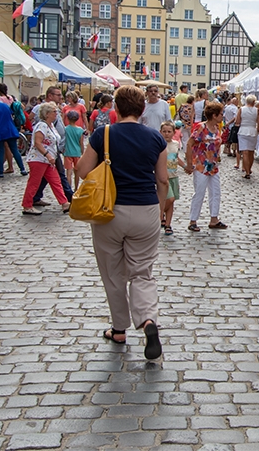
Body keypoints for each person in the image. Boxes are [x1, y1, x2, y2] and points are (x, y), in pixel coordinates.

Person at [75, 85, 168, 361]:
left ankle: (119, 329)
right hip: (146, 209)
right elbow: (162, 179)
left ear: (116, 109)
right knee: (142, 271)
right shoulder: (155, 138)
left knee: (113, 273)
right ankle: (148, 321)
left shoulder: (103, 134)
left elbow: (82, 171)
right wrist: (160, 211)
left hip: (109, 211)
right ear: (142, 110)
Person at [185, 101, 227, 232]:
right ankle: (193, 220)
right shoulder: (201, 128)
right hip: (201, 165)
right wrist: (189, 163)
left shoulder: (217, 128)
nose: (222, 116)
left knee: (216, 192)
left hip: (213, 165)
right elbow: (189, 144)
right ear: (214, 115)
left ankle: (214, 218)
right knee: (199, 192)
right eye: (220, 114)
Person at [21, 103, 69, 216]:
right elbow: (38, 142)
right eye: (54, 112)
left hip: (48, 160)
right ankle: (27, 205)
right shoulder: (41, 126)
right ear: (47, 114)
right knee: (34, 182)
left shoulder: (50, 126)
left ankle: (64, 203)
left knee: (56, 181)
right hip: (38, 159)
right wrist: (48, 154)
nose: (56, 114)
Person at [31, 87, 74, 206]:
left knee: (47, 177)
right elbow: (41, 135)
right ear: (50, 95)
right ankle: (69, 198)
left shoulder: (55, 109)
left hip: (54, 150)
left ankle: (35, 197)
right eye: (58, 95)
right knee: (59, 175)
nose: (61, 97)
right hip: (48, 152)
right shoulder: (45, 111)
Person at [0, 91, 27, 178]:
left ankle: (0, 172)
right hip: (10, 129)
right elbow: (11, 115)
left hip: (0, 131)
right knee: (15, 150)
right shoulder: (5, 106)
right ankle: (22, 169)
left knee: (1, 151)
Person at [160, 121, 180, 235]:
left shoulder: (176, 144)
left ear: (173, 132)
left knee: (172, 202)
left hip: (174, 176)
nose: (166, 134)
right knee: (169, 198)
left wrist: (186, 167)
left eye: (169, 131)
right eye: (164, 131)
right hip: (163, 177)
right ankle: (160, 212)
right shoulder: (159, 144)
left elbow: (176, 158)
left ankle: (168, 224)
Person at [236, 94, 259, 179]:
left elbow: (237, 121)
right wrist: (256, 131)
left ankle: (247, 172)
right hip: (252, 131)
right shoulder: (257, 110)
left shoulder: (241, 109)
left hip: (243, 131)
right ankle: (249, 169)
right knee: (251, 152)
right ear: (254, 102)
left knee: (245, 153)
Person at [63, 110, 85, 189]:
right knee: (77, 172)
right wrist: (83, 152)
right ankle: (76, 188)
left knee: (69, 172)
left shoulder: (65, 129)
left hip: (68, 152)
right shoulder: (80, 130)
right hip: (77, 152)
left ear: (68, 118)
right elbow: (81, 143)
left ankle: (69, 188)